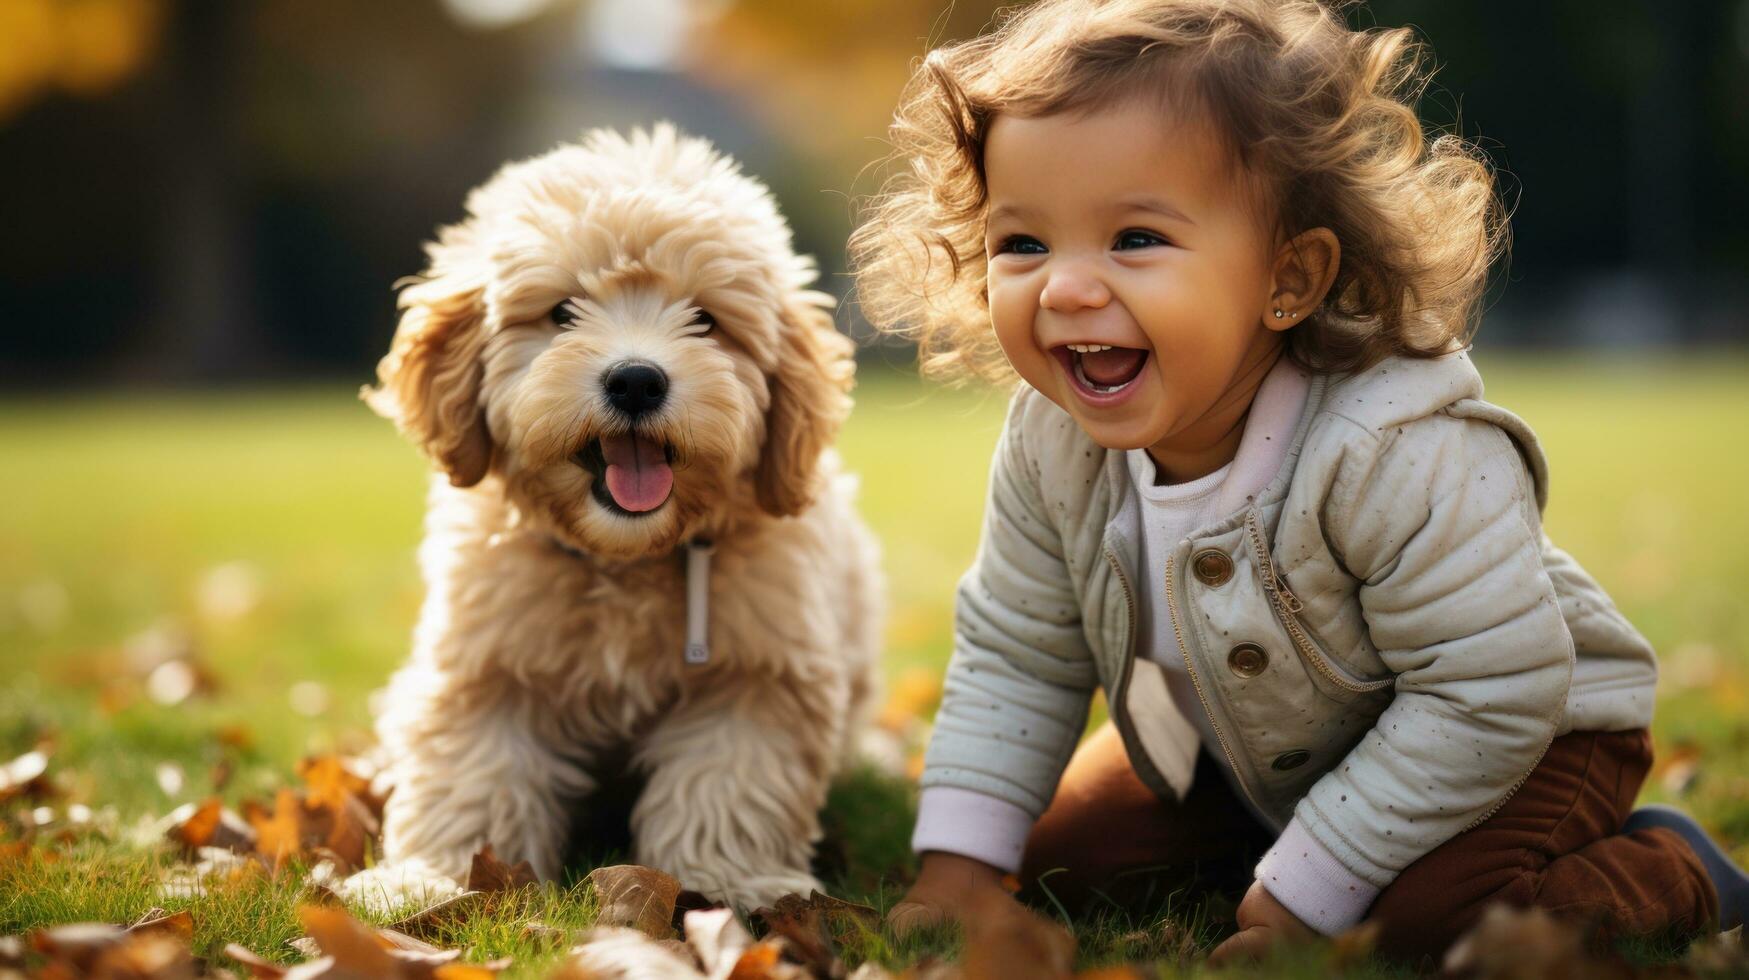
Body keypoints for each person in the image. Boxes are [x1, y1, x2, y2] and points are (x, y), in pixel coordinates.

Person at [848, 0, 1749, 964]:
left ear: (1291, 277)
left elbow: (1492, 690)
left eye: (1136, 238)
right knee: (1057, 862)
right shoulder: (1049, 442)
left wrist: (1305, 898)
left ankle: (1674, 868)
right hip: (1251, 753)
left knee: (1426, 928)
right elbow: (1017, 649)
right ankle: (1282, 848)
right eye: (1021, 243)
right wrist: (958, 864)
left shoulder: (1390, 449)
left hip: (1523, 740)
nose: (1064, 287)